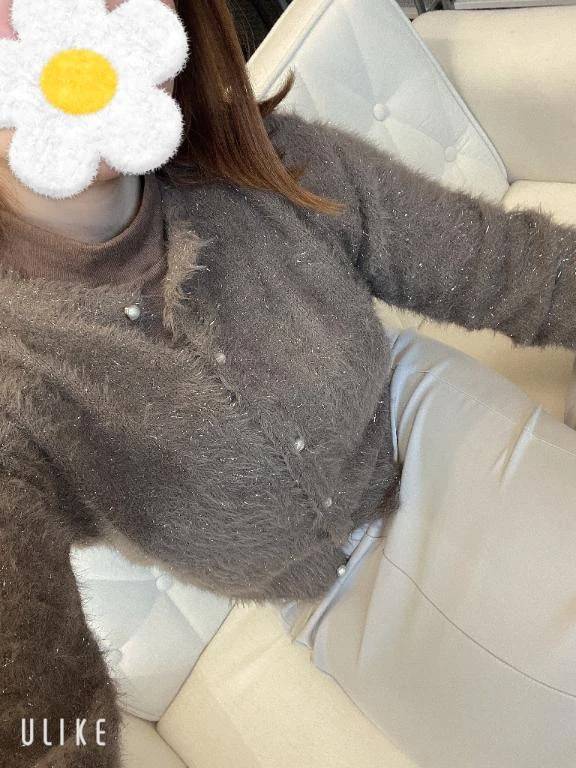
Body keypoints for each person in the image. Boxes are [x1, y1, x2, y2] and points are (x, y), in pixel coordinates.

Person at [0, 1, 574, 767]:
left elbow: (504, 265)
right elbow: (40, 713)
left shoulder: (275, 162)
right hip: (320, 606)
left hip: (423, 431)